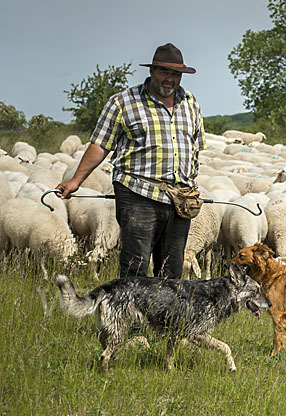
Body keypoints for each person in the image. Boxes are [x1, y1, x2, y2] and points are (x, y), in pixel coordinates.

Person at [57, 43, 205, 278]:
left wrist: (189, 183)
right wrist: (76, 180)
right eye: (165, 72)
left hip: (179, 200)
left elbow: (196, 146)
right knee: (136, 264)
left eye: (176, 74)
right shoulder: (123, 102)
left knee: (172, 268)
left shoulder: (190, 103)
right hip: (138, 194)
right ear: (152, 71)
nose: (171, 79)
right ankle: (130, 314)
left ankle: (165, 315)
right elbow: (100, 144)